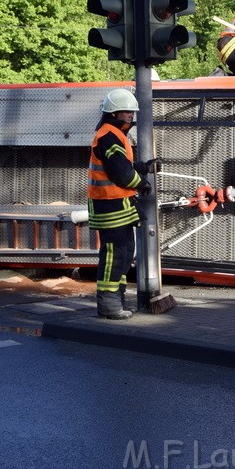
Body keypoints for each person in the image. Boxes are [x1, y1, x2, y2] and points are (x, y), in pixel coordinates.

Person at [87, 88, 152, 320]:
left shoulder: (114, 134)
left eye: (132, 112)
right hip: (109, 206)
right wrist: (142, 182)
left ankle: (116, 302)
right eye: (127, 112)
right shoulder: (108, 135)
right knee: (115, 254)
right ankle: (109, 305)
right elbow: (120, 172)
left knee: (124, 254)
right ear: (114, 113)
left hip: (117, 206)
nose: (131, 116)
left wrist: (143, 168)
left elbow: (123, 165)